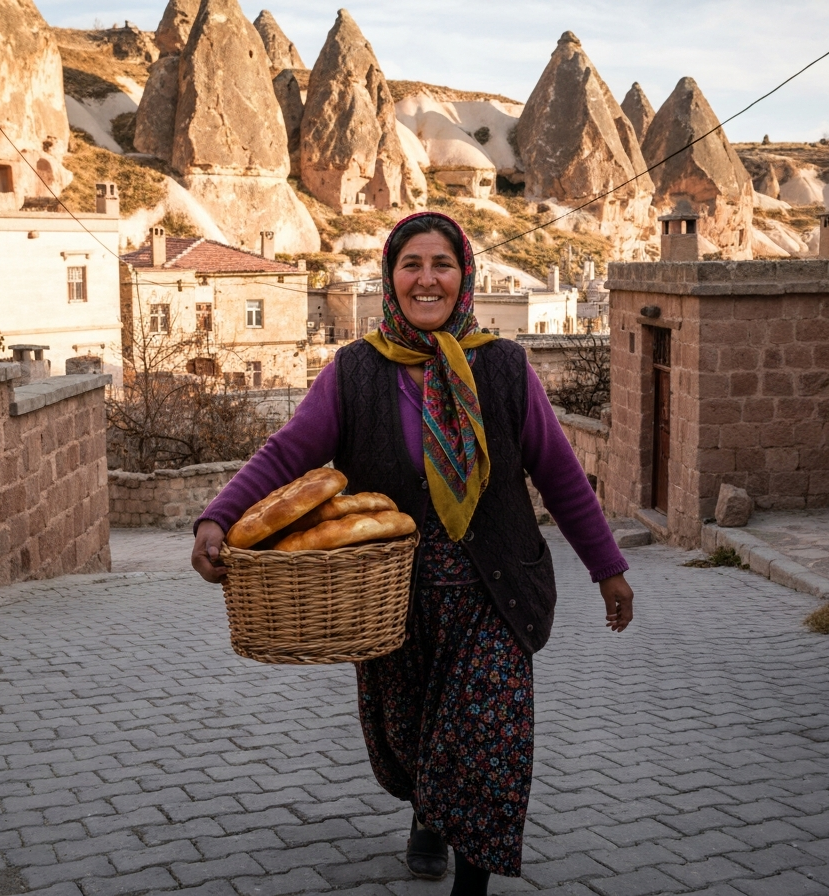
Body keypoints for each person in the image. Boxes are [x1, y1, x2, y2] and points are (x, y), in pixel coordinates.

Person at [192, 211, 634, 895]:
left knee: (486, 738)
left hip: (493, 595)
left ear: (464, 276)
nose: (427, 279)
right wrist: (218, 517)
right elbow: (287, 453)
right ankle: (428, 814)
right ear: (390, 278)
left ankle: (472, 881)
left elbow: (559, 472)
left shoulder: (505, 368)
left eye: (442, 265)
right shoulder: (356, 371)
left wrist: (608, 569)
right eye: (412, 265)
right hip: (391, 600)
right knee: (411, 737)